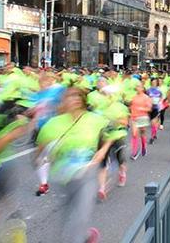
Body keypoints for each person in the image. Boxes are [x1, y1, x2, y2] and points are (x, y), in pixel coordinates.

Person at [35, 87, 118, 243]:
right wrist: (46, 157)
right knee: (64, 216)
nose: (74, 99)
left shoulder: (94, 119)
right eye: (70, 96)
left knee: (81, 216)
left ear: (83, 100)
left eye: (77, 96)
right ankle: (86, 236)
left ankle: (79, 237)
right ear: (63, 101)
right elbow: (41, 149)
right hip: (63, 175)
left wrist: (102, 150)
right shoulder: (53, 123)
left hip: (87, 173)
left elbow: (112, 133)